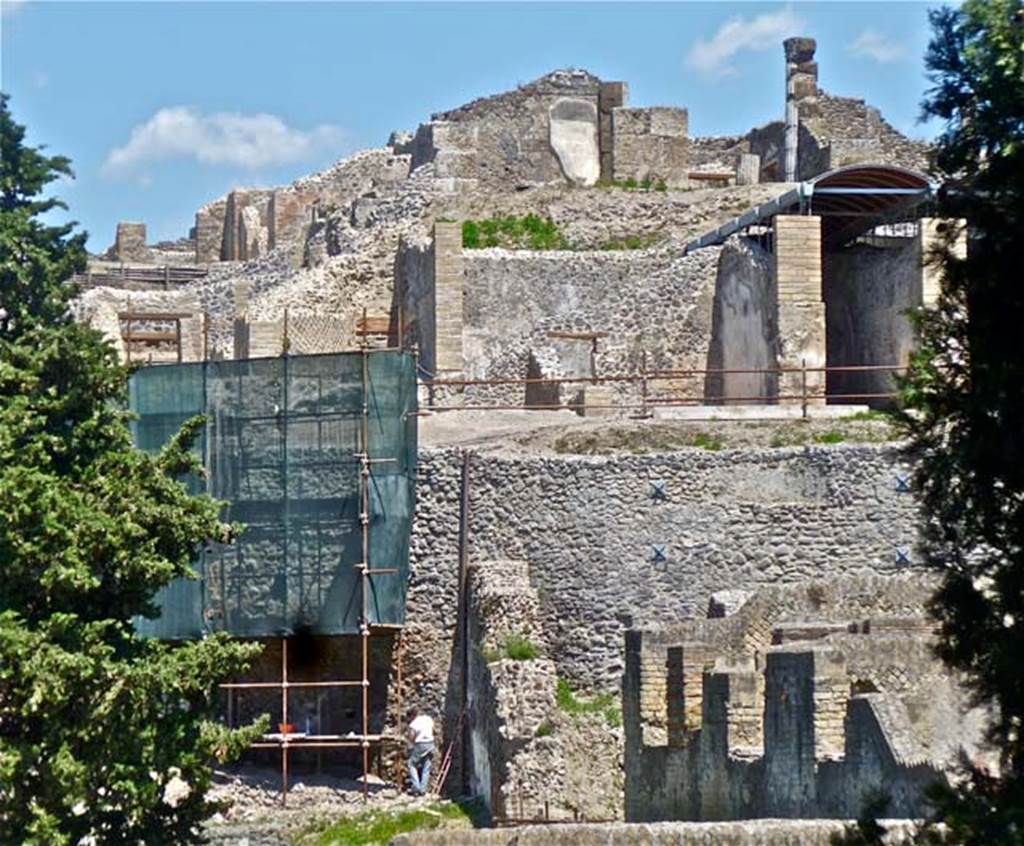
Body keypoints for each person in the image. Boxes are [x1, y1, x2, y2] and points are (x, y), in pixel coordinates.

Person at [406, 710, 435, 796]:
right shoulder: (428, 719)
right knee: (426, 767)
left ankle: (416, 787)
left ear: (411, 716)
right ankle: (423, 789)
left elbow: (412, 736)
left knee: (411, 764)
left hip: (420, 744)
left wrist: (409, 746)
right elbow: (433, 730)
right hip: (430, 743)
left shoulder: (414, 723)